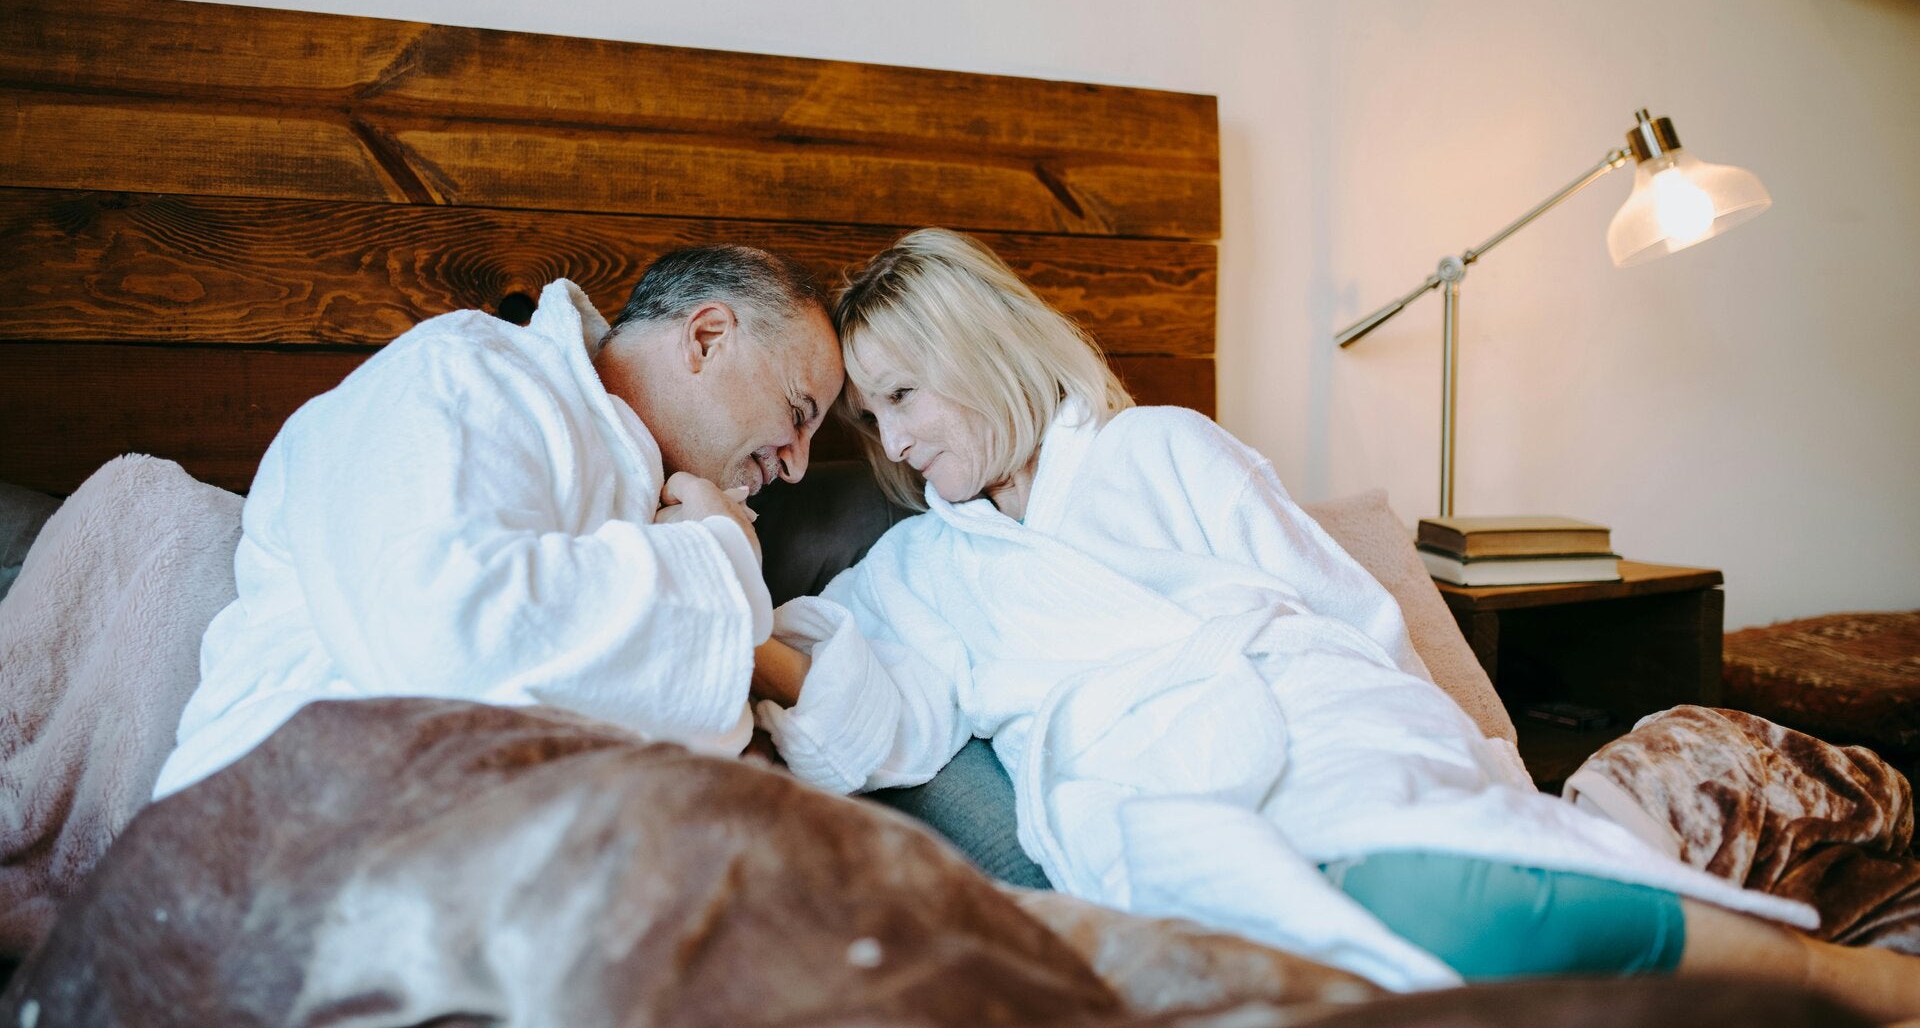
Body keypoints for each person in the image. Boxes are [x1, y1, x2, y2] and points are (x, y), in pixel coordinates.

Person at [752, 228, 1920, 1020]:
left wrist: (1482, 764)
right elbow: (867, 715)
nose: (892, 444)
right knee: (1371, 935)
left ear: (978, 350)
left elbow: (1354, 613)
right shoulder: (921, 564)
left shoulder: (1163, 446)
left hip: (1316, 718)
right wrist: (716, 574)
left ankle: (1844, 983)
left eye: (901, 396)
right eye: (867, 420)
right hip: (1155, 789)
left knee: (1451, 900)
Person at [154, 245, 843, 800]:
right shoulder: (466, 371)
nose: (797, 466)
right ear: (707, 338)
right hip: (295, 799)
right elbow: (448, 630)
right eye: (798, 412)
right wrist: (715, 555)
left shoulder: (650, 491)